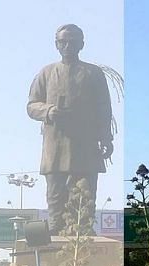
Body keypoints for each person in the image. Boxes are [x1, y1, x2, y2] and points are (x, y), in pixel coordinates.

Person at [27, 24, 113, 235]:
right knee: (56, 194)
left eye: (72, 42)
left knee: (84, 193)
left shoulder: (93, 73)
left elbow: (104, 109)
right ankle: (56, 230)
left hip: (85, 143)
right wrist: (49, 110)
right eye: (63, 42)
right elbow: (31, 105)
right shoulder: (46, 73)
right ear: (56, 44)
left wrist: (106, 138)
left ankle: (83, 231)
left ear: (81, 44)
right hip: (55, 142)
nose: (67, 46)